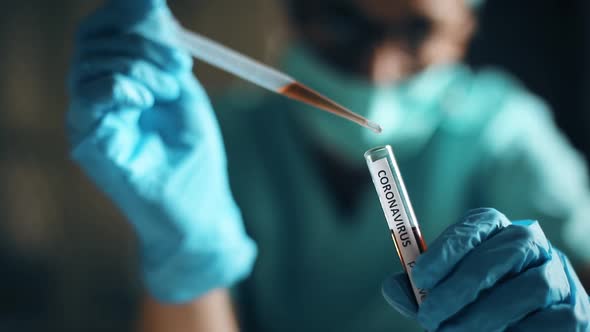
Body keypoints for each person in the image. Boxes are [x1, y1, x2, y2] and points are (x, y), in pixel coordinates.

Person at [67, 0, 590, 331]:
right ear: (292, 13)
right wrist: (190, 259)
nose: (377, 69)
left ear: (465, 26)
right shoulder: (209, 138)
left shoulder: (504, 131)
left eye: (417, 31)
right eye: (342, 22)